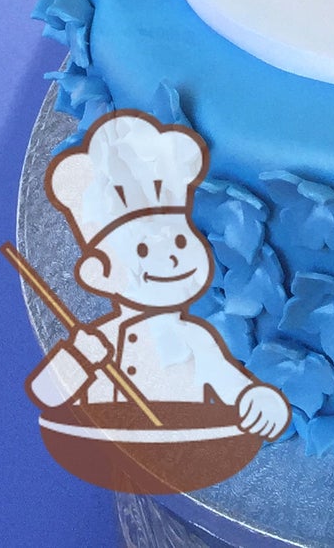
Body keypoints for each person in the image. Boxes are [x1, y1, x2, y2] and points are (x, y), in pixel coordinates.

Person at [26, 108, 289, 440]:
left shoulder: (197, 338)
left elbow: (232, 385)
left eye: (180, 241)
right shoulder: (103, 338)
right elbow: (48, 392)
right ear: (100, 274)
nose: (173, 260)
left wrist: (261, 401)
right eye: (144, 251)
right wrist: (79, 358)